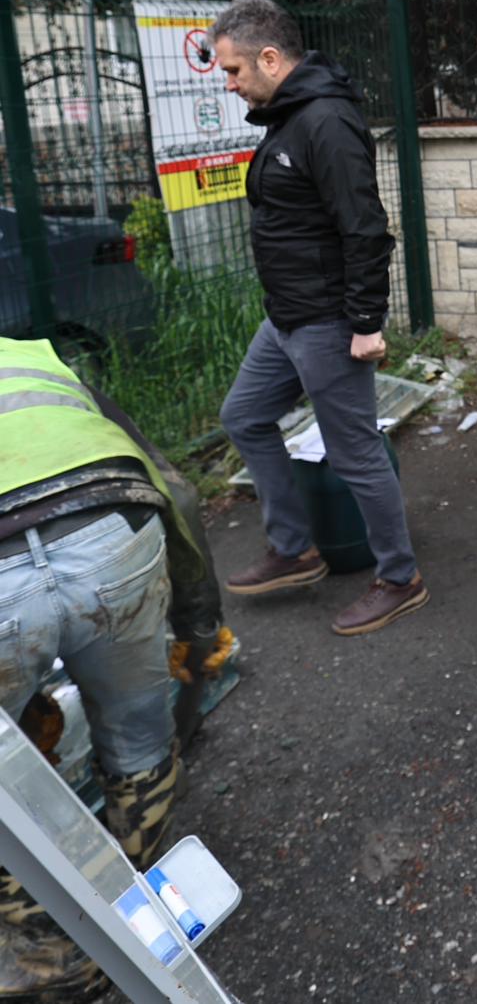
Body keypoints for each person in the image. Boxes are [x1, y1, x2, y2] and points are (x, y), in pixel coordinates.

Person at [0, 337, 217, 999]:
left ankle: (54, 961)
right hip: (113, 533)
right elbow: (174, 493)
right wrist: (198, 626)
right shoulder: (31, 355)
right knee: (140, 742)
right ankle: (132, 914)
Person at [212, 0, 428, 637]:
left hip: (329, 321)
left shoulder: (325, 122)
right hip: (286, 318)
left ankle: (399, 576)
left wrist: (366, 323)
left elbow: (365, 228)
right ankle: (296, 548)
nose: (229, 84)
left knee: (354, 451)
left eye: (233, 71)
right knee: (244, 415)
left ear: (270, 58)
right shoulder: (286, 116)